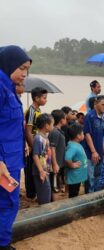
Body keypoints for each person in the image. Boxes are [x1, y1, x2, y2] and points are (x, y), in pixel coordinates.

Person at [0, 45, 31, 250]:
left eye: (27, 69)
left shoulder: (10, 89)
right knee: (8, 203)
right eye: (21, 68)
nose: (25, 74)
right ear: (9, 64)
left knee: (8, 202)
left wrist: (24, 147)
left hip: (11, 159)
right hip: (3, 164)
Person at [24, 86, 48, 199]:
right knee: (30, 169)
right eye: (44, 98)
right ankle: (30, 194)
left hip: (37, 142)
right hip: (32, 144)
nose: (46, 100)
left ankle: (35, 190)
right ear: (36, 98)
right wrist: (33, 147)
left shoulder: (38, 110)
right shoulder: (32, 111)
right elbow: (28, 131)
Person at [82, 95, 104, 193]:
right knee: (90, 179)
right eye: (103, 105)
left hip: (99, 153)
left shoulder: (102, 118)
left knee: (97, 176)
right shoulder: (89, 116)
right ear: (96, 103)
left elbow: (101, 136)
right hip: (90, 153)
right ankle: (88, 198)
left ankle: (94, 197)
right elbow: (87, 134)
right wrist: (93, 151)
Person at [32, 113, 54, 205]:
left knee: (47, 191)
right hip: (40, 172)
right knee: (44, 194)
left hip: (45, 170)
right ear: (46, 125)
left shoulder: (45, 137)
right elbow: (35, 155)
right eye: (52, 124)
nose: (53, 126)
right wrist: (41, 171)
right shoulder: (38, 138)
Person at [65, 124, 88, 198]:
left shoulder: (76, 144)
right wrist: (72, 165)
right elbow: (67, 157)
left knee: (75, 192)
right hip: (74, 177)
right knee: (73, 195)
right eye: (82, 133)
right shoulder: (73, 146)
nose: (83, 134)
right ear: (78, 136)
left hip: (77, 177)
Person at [49, 110, 67, 194]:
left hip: (59, 162)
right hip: (56, 163)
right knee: (54, 186)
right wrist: (55, 163)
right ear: (61, 120)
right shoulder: (55, 132)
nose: (66, 120)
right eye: (65, 118)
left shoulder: (59, 131)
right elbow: (52, 148)